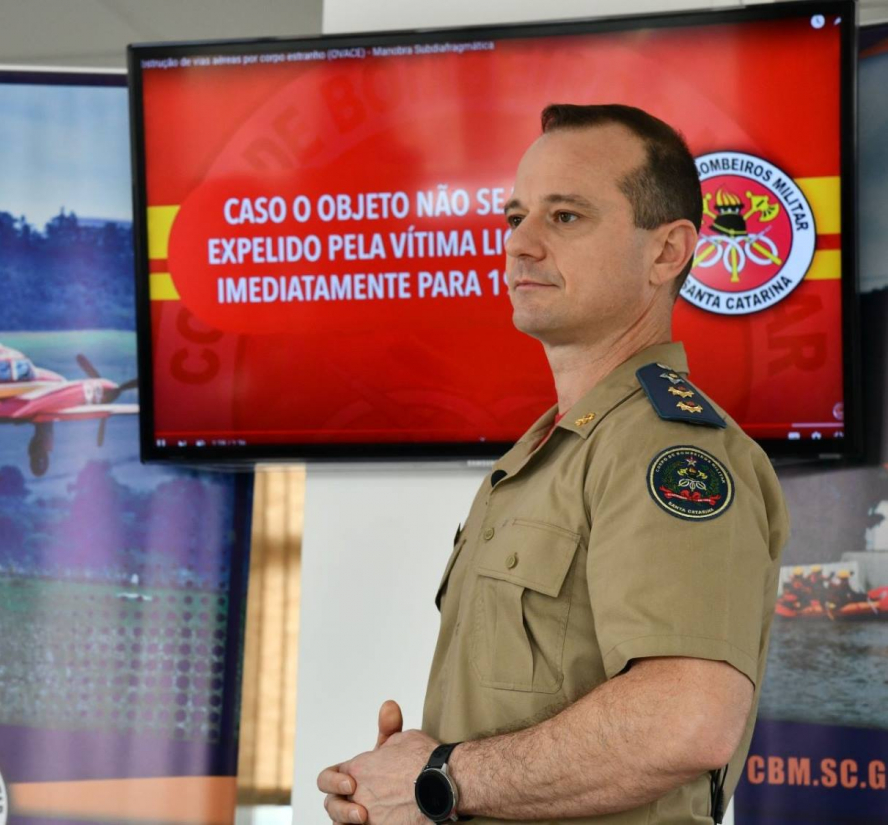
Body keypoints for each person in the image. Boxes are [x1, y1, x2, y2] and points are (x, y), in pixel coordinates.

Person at [317, 103, 790, 825]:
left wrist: (437, 778)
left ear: (668, 252)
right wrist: (401, 786)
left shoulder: (669, 450)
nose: (520, 245)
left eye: (564, 217)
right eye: (515, 217)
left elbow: (687, 719)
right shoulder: (545, 454)